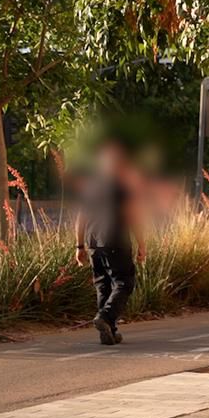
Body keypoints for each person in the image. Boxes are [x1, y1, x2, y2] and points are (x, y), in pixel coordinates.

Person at [74, 141, 146, 345]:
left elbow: (80, 218)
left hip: (93, 244)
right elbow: (133, 216)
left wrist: (79, 246)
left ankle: (109, 332)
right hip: (115, 240)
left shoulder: (90, 187)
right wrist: (142, 244)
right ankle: (105, 317)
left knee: (103, 286)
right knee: (124, 282)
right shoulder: (121, 187)